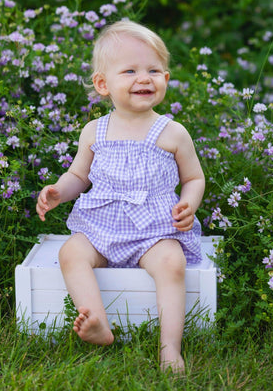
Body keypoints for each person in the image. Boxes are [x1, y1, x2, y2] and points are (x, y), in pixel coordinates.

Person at [36, 20, 205, 373]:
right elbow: (79, 176)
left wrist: (190, 203)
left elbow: (193, 177)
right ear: (103, 84)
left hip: (154, 229)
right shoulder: (94, 131)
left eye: (153, 71)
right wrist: (58, 191)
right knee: (71, 252)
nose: (144, 78)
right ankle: (96, 321)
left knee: (172, 263)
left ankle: (170, 348)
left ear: (166, 80)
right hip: (103, 226)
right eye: (130, 70)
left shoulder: (173, 132)